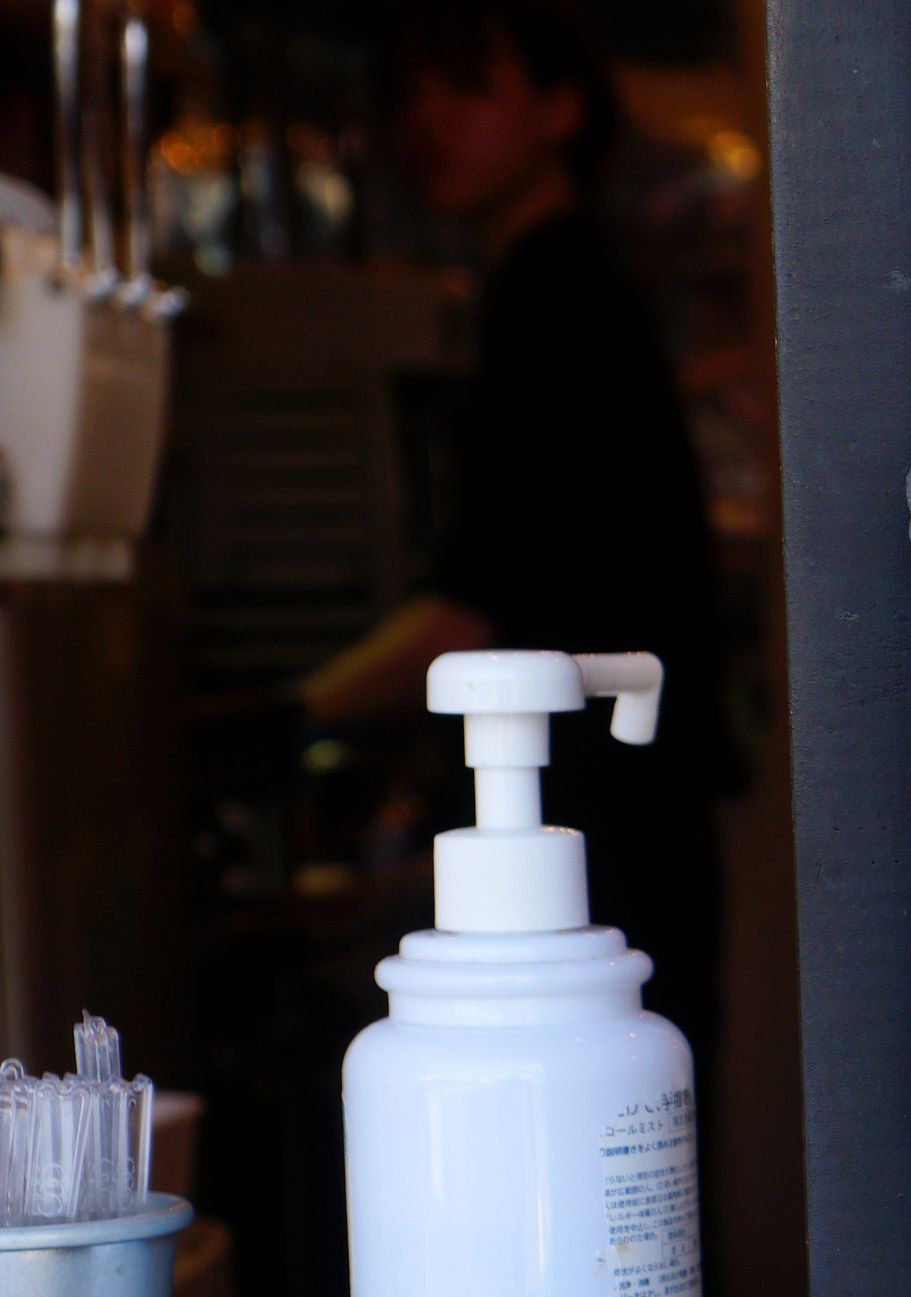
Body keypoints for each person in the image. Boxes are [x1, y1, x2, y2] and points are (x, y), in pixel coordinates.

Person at [302, 0, 729, 1078]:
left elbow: (476, 601)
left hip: (597, 811)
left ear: (559, 107)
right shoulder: (556, 285)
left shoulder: (559, 300)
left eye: (465, 87)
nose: (427, 121)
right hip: (607, 800)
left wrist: (290, 714)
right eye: (408, 94)